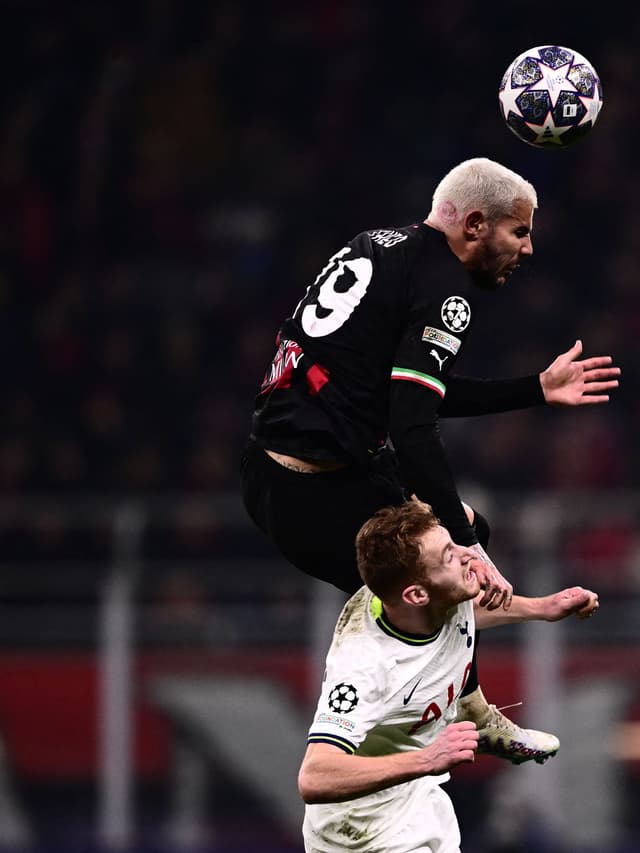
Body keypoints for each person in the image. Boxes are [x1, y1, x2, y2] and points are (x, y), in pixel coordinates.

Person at [241, 157, 620, 762]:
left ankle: (438, 715)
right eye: (518, 231)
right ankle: (384, 744)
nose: (528, 248)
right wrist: (467, 544)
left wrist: (535, 388)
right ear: (474, 225)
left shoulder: (380, 248)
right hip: (316, 494)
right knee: (449, 568)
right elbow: (412, 426)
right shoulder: (447, 290)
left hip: (289, 470)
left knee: (462, 544)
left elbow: (411, 391)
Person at [298, 501, 601, 853]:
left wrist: (541, 608)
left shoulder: (430, 598)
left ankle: (479, 715)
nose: (466, 554)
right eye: (448, 555)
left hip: (421, 804)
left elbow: (461, 606)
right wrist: (428, 759)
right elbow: (315, 775)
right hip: (361, 833)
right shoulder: (365, 666)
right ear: (416, 595)